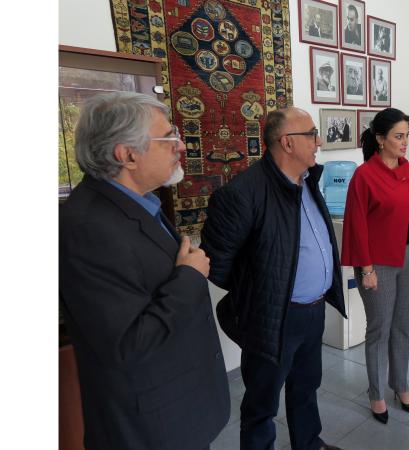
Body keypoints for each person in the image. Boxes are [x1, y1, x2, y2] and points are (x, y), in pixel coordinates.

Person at [59, 92, 230, 450]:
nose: (180, 146)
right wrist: (189, 277)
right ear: (127, 155)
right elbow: (126, 345)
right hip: (150, 427)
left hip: (175, 407)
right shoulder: (88, 227)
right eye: (168, 138)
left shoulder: (138, 202)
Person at [201, 107, 346, 450]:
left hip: (313, 310)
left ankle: (308, 443)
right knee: (262, 403)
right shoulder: (243, 193)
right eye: (311, 134)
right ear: (287, 143)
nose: (318, 142)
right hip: (274, 317)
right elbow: (216, 263)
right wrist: (262, 293)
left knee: (306, 386)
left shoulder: (308, 181)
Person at [341, 108, 409, 425]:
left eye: (407, 136)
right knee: (379, 329)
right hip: (378, 264)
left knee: (402, 327)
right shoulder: (364, 176)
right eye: (398, 136)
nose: (405, 142)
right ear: (380, 139)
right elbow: (357, 225)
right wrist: (366, 269)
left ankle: (400, 386)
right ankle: (376, 393)